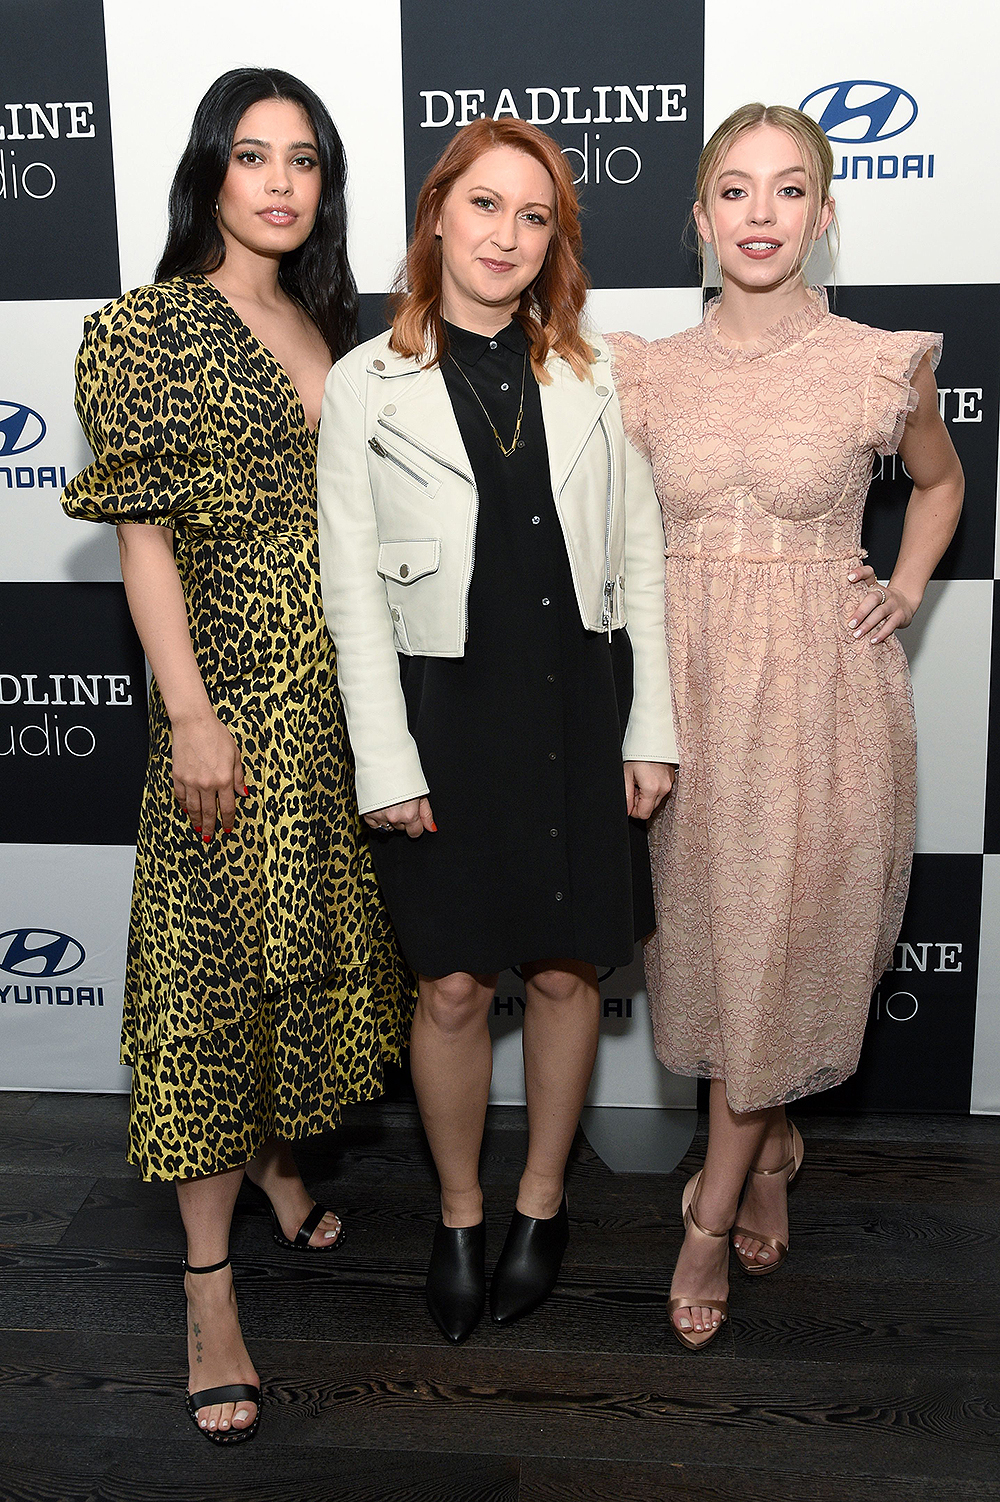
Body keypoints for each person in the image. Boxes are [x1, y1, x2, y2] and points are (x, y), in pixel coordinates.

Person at [61, 68, 414, 1440]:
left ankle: (279, 1160)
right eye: (253, 154)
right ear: (210, 171)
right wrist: (191, 712)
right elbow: (144, 540)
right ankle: (209, 1288)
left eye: (305, 160)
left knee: (308, 955)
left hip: (343, 695)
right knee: (214, 977)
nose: (279, 181)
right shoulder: (145, 328)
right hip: (233, 692)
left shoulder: (332, 323)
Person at [609, 102, 964, 1350]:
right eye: (736, 191)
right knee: (711, 945)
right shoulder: (639, 370)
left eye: (789, 189)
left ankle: (708, 1212)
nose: (761, 215)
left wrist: (905, 586)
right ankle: (764, 1147)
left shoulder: (880, 358)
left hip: (823, 692)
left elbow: (940, 480)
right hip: (688, 695)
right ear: (698, 215)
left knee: (784, 936)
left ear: (823, 213)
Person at [316, 116, 677, 1344]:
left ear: (552, 242)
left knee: (568, 965)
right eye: (485, 206)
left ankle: (542, 1200)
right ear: (435, 214)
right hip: (442, 711)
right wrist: (385, 758)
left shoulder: (597, 371)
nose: (506, 236)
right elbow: (350, 593)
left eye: (534, 218)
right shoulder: (363, 381)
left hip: (581, 699)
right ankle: (460, 1212)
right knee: (457, 982)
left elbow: (643, 559)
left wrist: (654, 727)